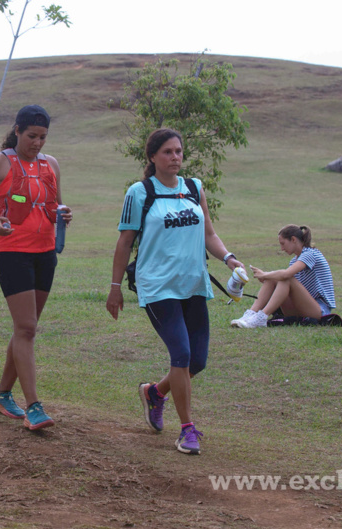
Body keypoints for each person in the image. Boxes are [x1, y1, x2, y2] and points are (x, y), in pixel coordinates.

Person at [106, 128, 243, 456]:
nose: (175, 157)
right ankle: (186, 430)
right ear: (152, 157)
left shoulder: (194, 188)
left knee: (197, 361)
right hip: (157, 286)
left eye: (179, 151)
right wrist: (114, 288)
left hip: (193, 285)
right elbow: (125, 242)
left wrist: (229, 258)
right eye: (167, 152)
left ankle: (155, 393)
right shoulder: (140, 193)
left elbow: (209, 233)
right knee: (180, 355)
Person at [0, 104, 72, 431]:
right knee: (26, 328)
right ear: (18, 131)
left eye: (43, 137)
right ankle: (34, 406)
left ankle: (2, 394)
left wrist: (63, 214)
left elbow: (55, 205)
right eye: (32, 136)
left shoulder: (51, 164)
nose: (37, 143)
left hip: (45, 251)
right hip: (12, 252)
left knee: (26, 327)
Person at [230, 225, 335, 328]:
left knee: (284, 278)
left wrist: (265, 274)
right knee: (276, 278)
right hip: (302, 308)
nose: (282, 248)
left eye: (283, 243)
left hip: (319, 311)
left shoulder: (310, 254)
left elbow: (286, 275)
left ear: (293, 239)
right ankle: (250, 314)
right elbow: (292, 288)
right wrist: (267, 279)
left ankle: (261, 318)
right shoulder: (294, 261)